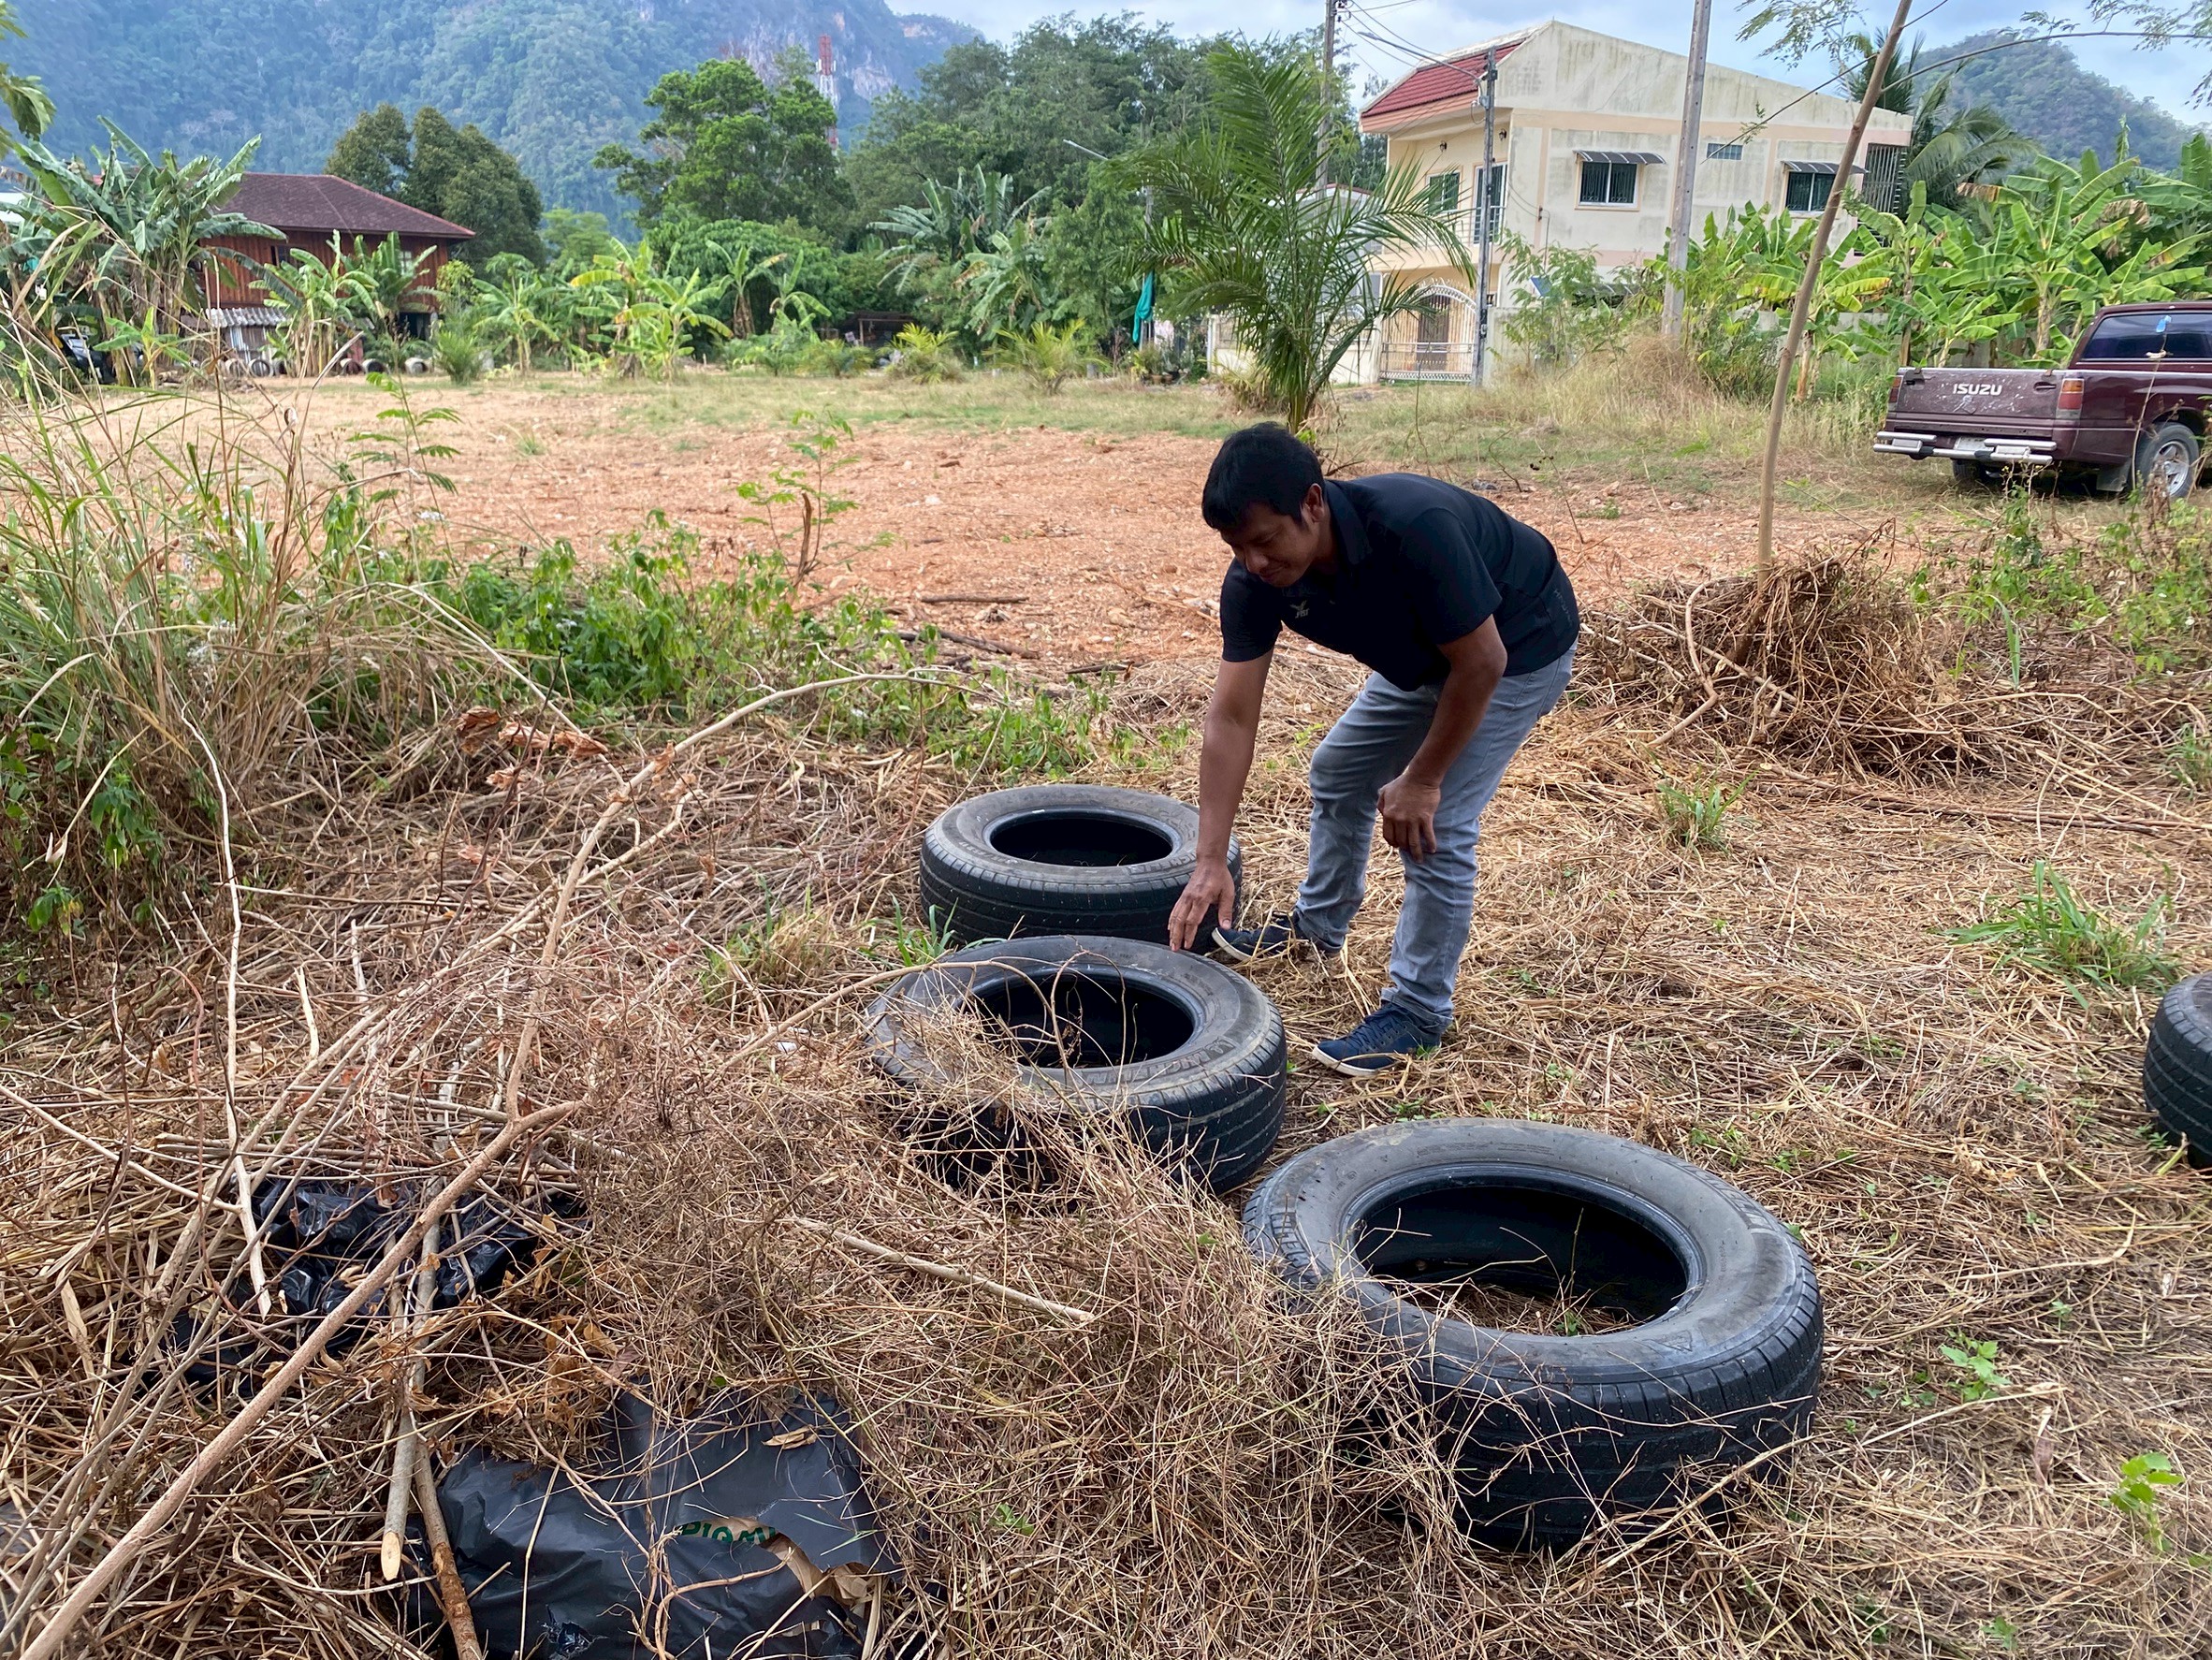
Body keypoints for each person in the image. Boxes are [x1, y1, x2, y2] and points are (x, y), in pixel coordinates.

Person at [1166, 423, 1579, 1076]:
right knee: (1339, 771)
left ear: (1312, 502)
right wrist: (1210, 859)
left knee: (1434, 819)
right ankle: (1317, 928)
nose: (1255, 563)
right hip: (1424, 656)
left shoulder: (1415, 527)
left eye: (1266, 541)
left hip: (1516, 646)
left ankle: (1417, 1011)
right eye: (1237, 547)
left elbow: (1481, 662)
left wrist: (1422, 778)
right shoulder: (1256, 580)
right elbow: (1232, 716)